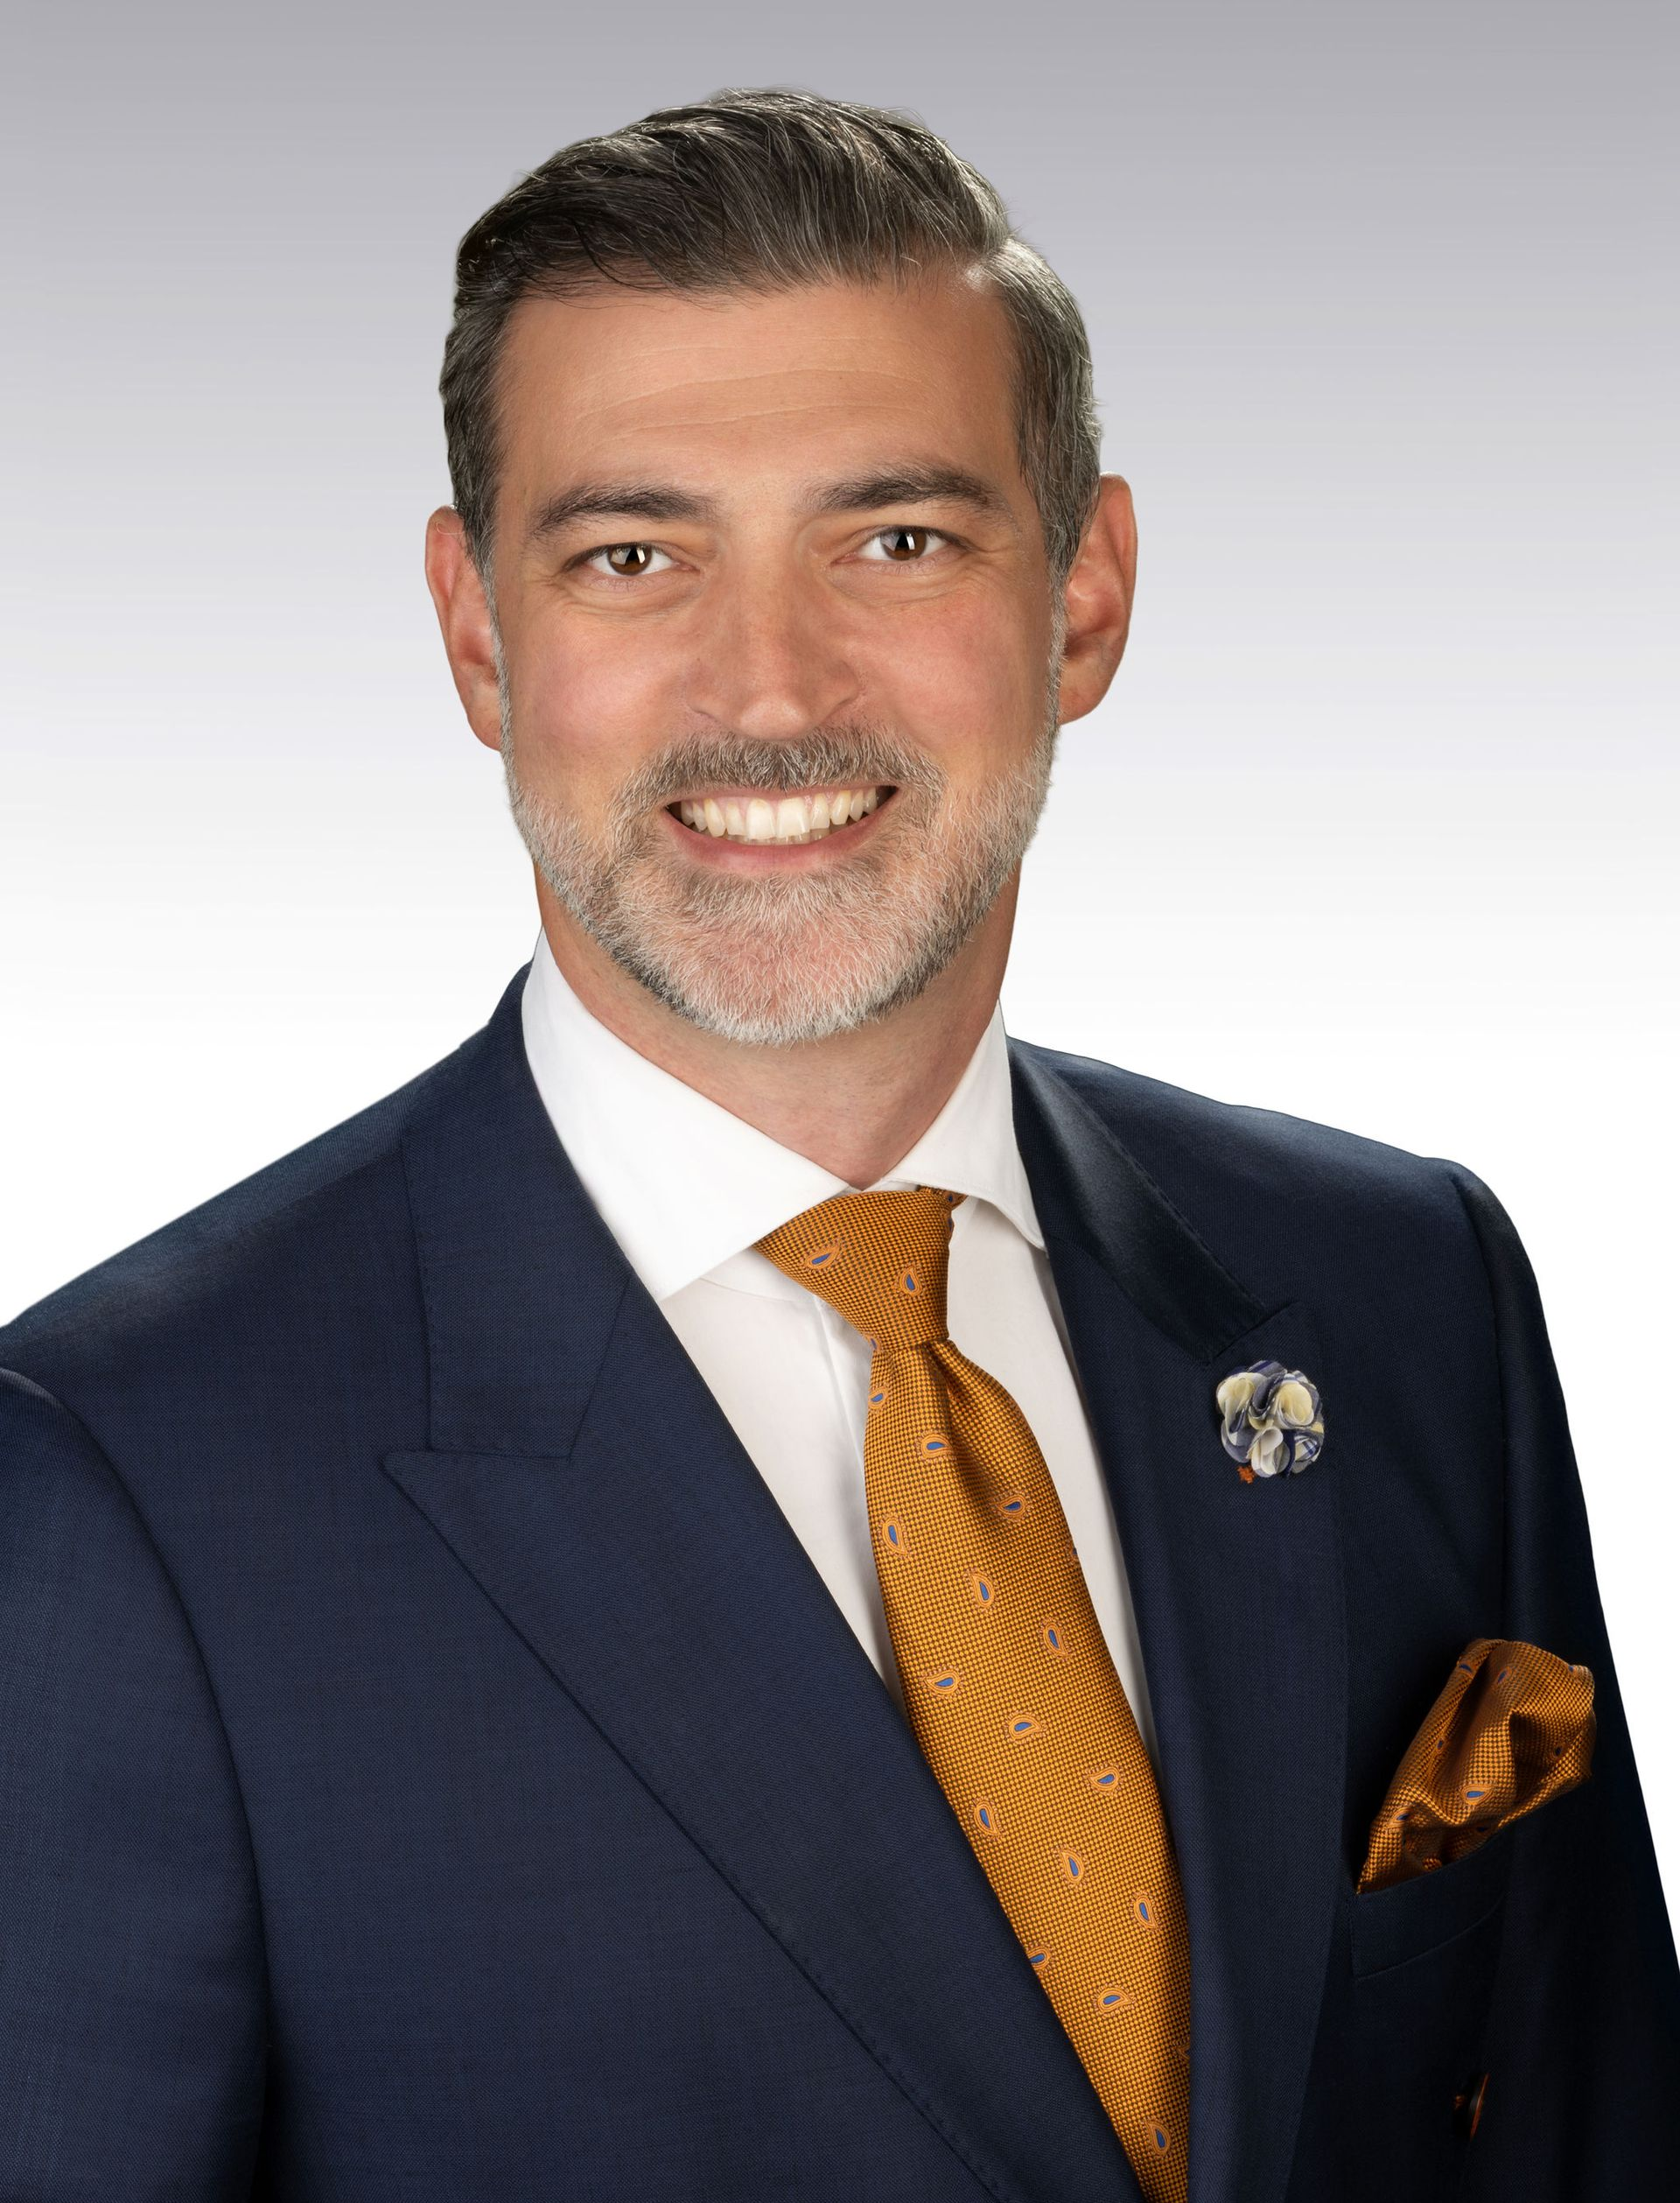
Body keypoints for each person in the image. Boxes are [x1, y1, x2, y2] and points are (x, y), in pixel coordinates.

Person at [1, 87, 1673, 2203]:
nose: (771, 689)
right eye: (634, 554)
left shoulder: (1406, 1287)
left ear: (1082, 596)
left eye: (896, 540)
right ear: (477, 635)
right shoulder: (117, 1478)